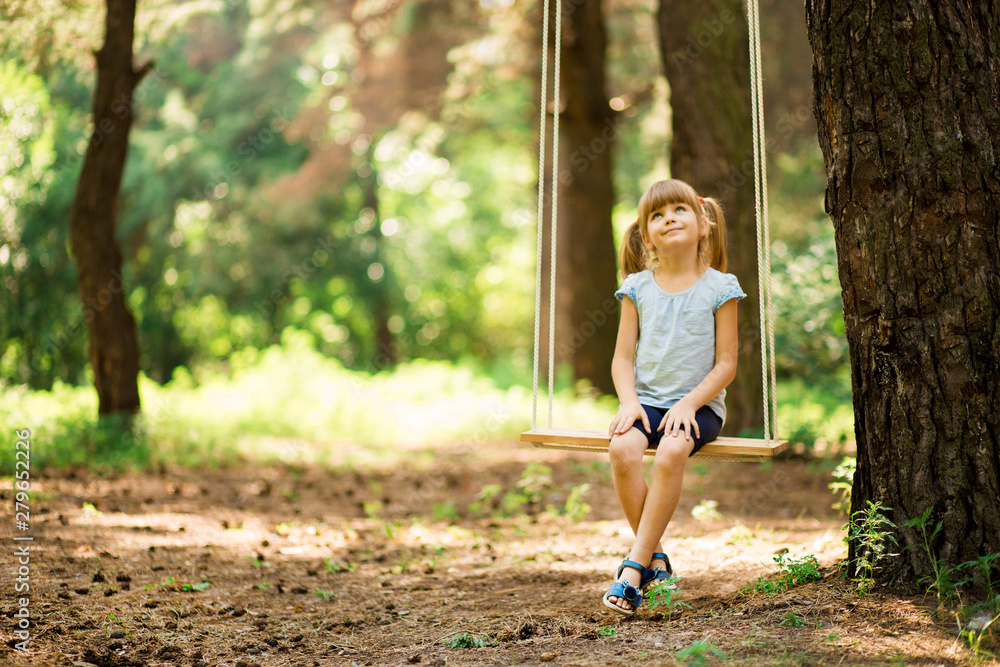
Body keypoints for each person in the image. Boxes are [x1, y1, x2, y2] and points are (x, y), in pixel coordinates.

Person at [602, 179, 745, 615]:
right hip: (645, 401)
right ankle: (656, 558)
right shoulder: (638, 287)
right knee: (623, 450)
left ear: (703, 224)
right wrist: (629, 403)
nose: (669, 219)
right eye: (658, 215)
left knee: (669, 454)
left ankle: (632, 569)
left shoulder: (721, 287)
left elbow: (727, 364)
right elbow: (622, 359)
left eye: (678, 210)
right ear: (647, 236)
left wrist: (688, 403)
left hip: (698, 407)